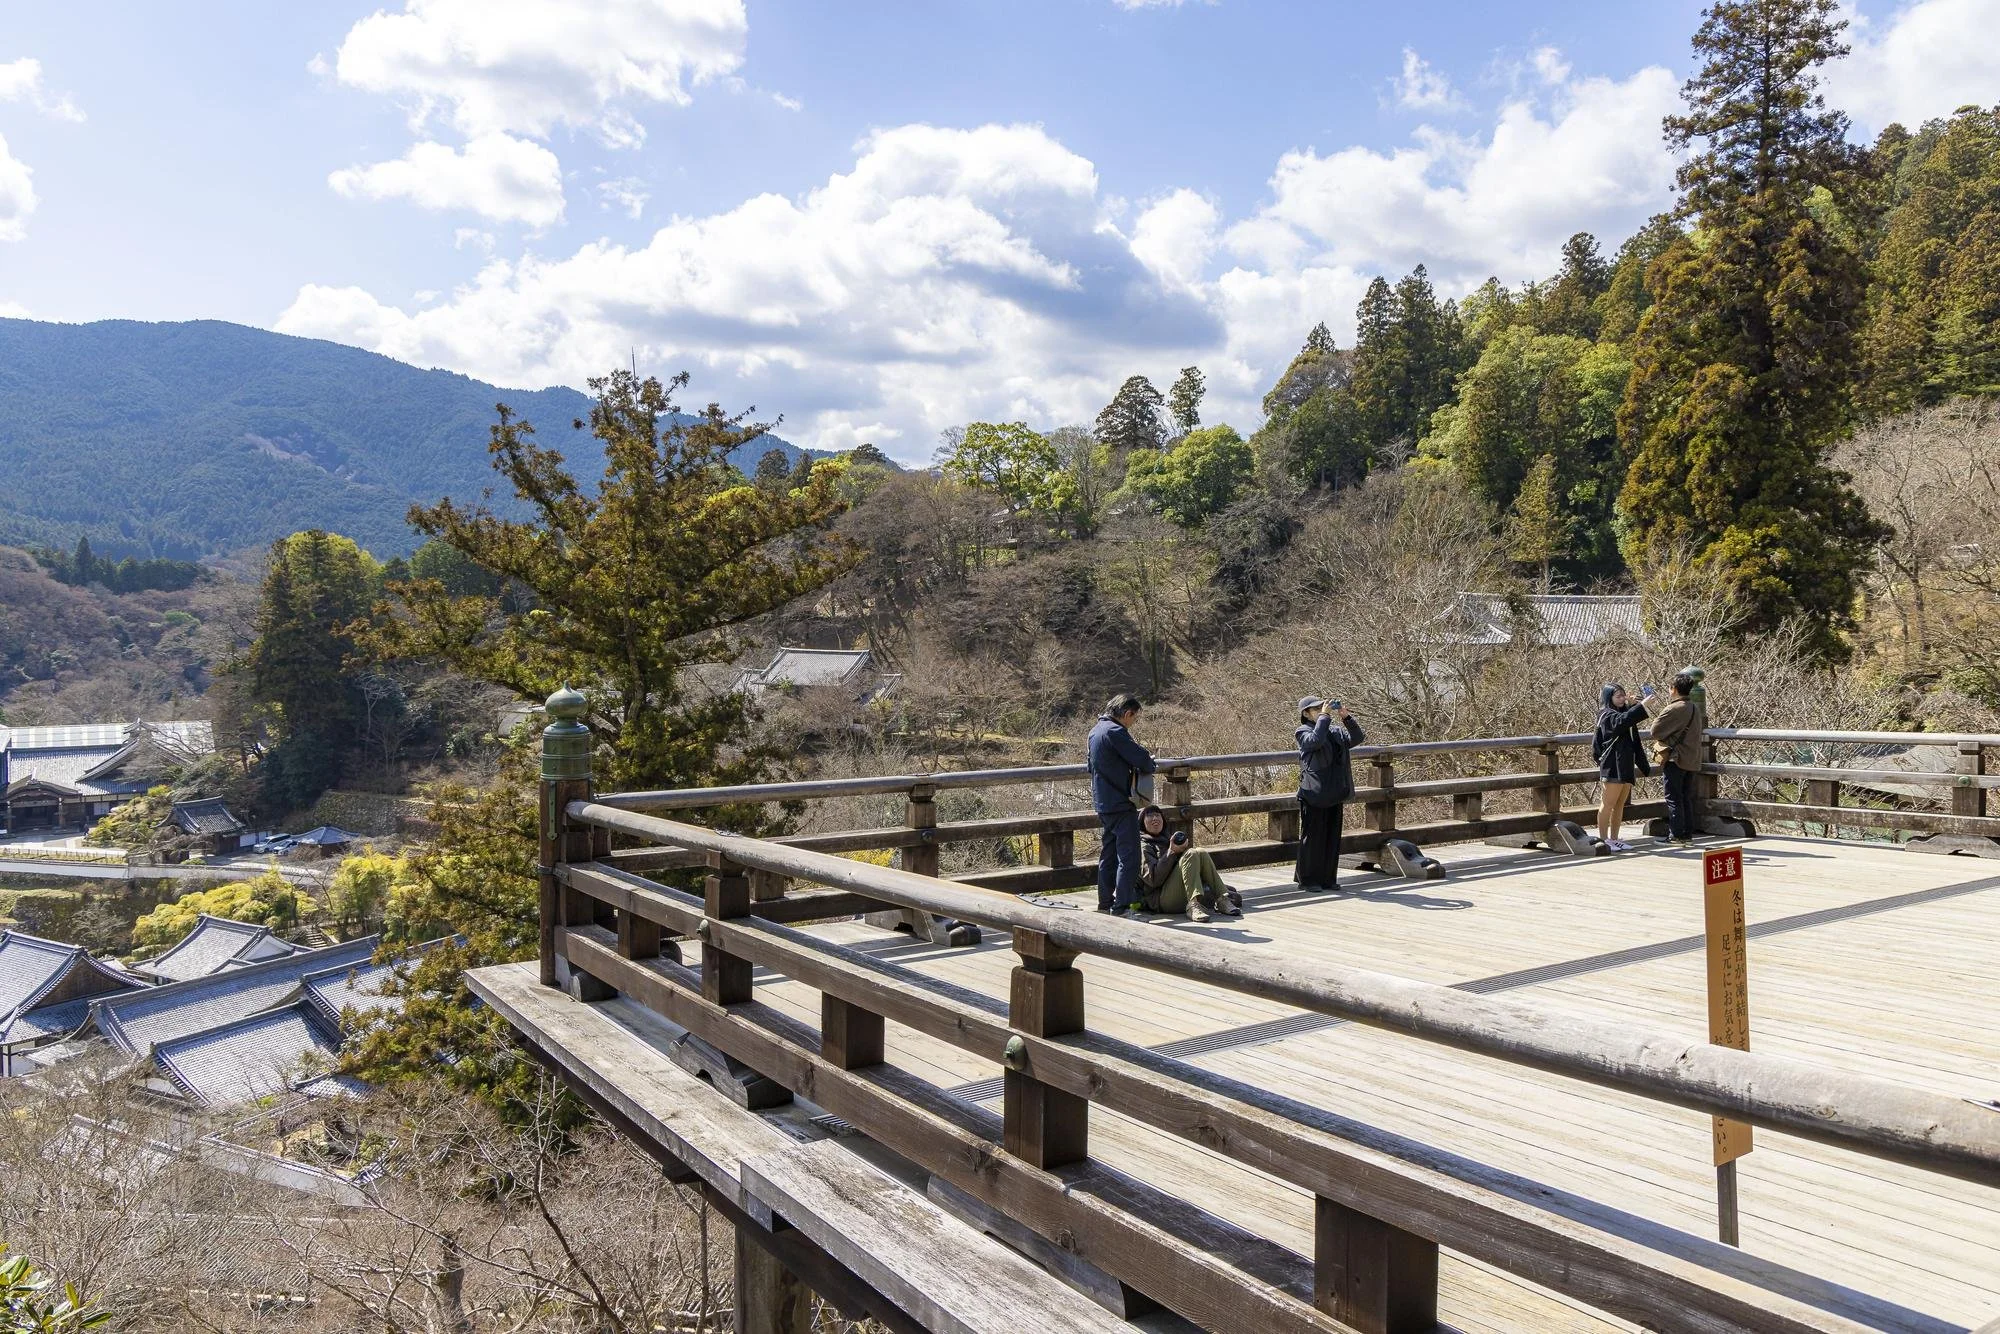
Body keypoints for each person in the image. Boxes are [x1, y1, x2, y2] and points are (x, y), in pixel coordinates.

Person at [1087, 694, 1157, 914]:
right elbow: (1142, 760)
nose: (1133, 722)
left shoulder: (1095, 731)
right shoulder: (1116, 732)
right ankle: (1122, 907)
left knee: (1108, 855)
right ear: (1127, 714)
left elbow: (1090, 767)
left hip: (1103, 802)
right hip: (1121, 803)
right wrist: (1150, 762)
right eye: (1134, 718)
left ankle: (1104, 904)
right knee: (1130, 858)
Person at [1295, 695, 1364, 892]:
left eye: (1321, 708)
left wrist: (1346, 717)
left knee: (1332, 837)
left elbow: (1357, 738)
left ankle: (1328, 879)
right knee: (1312, 838)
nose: (1320, 712)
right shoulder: (1302, 731)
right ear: (1306, 713)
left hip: (1334, 790)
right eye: (1316, 709)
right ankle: (1308, 879)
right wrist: (1325, 717)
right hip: (1313, 793)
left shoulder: (1334, 731)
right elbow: (1315, 741)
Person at [1138, 806, 1243, 921]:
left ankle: (1222, 899)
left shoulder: (1168, 840)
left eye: (1158, 815)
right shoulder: (1142, 846)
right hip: (1161, 900)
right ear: (1142, 823)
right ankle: (1193, 906)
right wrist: (1172, 852)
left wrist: (1180, 852)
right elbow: (1153, 880)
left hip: (1178, 893)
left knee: (1200, 852)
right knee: (1191, 853)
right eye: (1150, 815)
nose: (1155, 818)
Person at [1592, 683, 1652, 850]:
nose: (1622, 699)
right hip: (1611, 764)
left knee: (1620, 804)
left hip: (1625, 763)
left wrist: (1632, 706)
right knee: (1608, 803)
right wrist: (1640, 707)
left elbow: (1626, 720)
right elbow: (1620, 723)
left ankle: (1614, 838)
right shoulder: (1605, 714)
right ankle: (1603, 839)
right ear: (1608, 697)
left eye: (1623, 696)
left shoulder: (1621, 712)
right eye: (1618, 696)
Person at [1645, 673, 1702, 845]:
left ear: (1674, 689)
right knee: (1685, 797)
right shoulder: (1694, 708)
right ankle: (1686, 835)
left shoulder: (1673, 708)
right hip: (1691, 759)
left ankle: (1676, 835)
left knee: (1673, 798)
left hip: (1676, 759)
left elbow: (1655, 731)